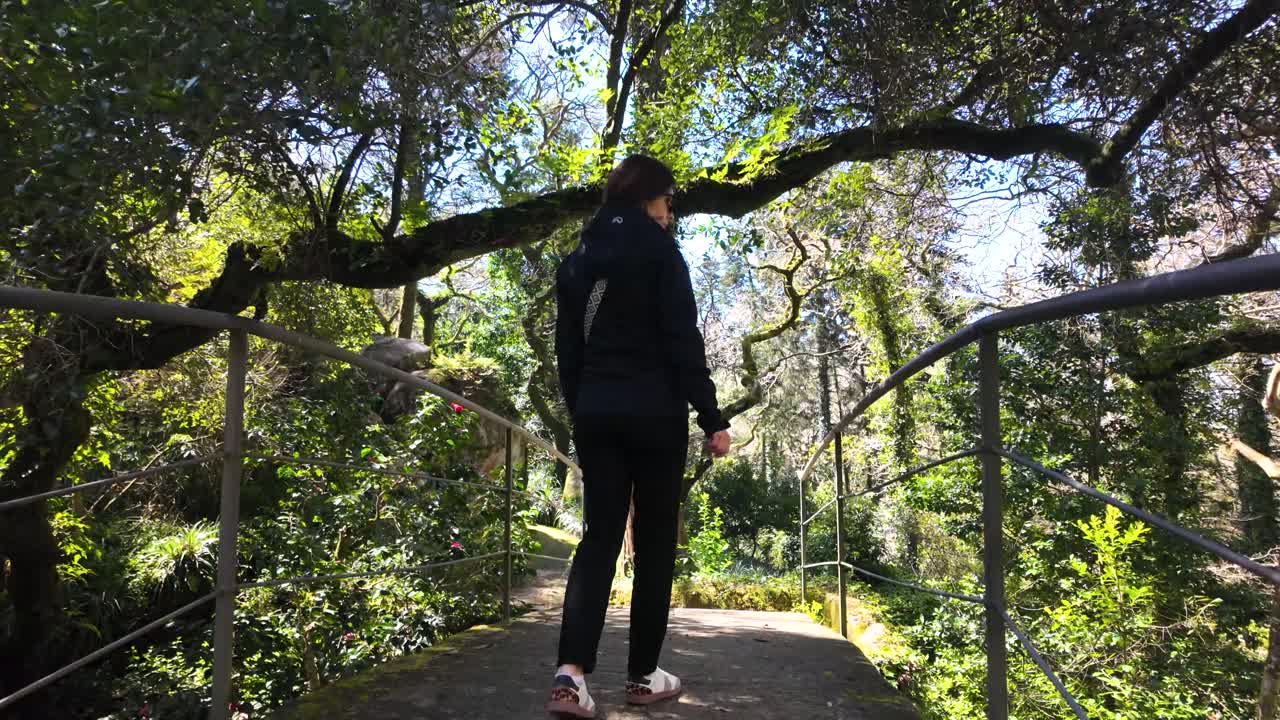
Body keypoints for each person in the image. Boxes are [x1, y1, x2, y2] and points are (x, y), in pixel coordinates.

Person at [546, 155, 732, 718]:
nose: (671, 213)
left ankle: (570, 676)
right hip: (655, 415)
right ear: (653, 199)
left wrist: (585, 409)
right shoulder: (662, 254)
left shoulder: (578, 260)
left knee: (599, 537)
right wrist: (712, 417)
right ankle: (643, 677)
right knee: (653, 544)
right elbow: (682, 341)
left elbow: (568, 350)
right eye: (670, 201)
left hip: (598, 410)